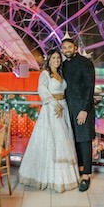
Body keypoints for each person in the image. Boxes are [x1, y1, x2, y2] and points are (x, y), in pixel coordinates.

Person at [18, 49, 79, 193]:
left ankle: (63, 177)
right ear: (49, 60)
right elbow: (42, 90)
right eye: (54, 58)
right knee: (55, 141)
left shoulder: (61, 74)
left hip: (63, 107)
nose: (56, 60)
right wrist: (54, 104)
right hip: (52, 110)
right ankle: (51, 178)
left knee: (64, 140)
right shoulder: (45, 74)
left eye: (58, 58)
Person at [61, 36, 96, 192]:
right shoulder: (63, 65)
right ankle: (79, 170)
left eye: (70, 47)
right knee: (74, 140)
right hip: (68, 108)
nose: (67, 50)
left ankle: (86, 175)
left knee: (85, 140)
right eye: (65, 48)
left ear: (75, 47)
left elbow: (90, 87)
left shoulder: (85, 63)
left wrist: (84, 110)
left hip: (83, 108)